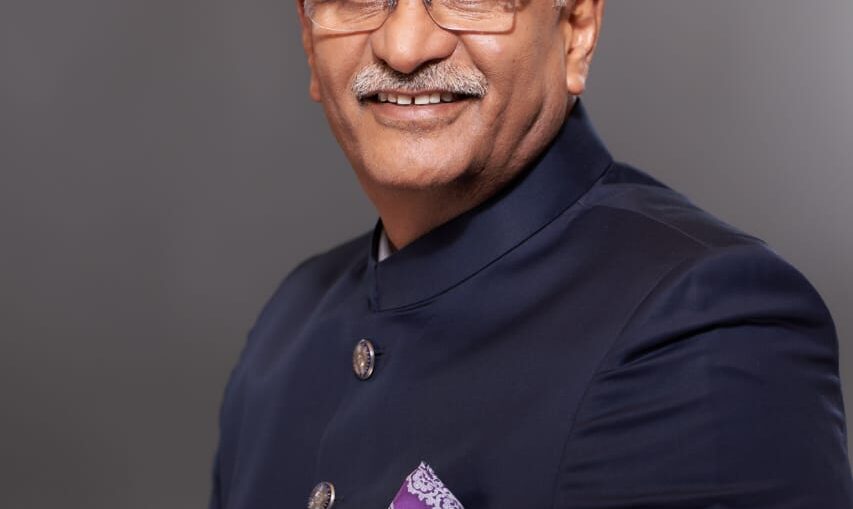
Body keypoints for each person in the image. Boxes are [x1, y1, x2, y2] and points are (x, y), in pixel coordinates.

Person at [209, 0, 853, 507]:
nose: (403, 47)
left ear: (576, 31)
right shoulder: (287, 332)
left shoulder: (701, 327)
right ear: (308, 36)